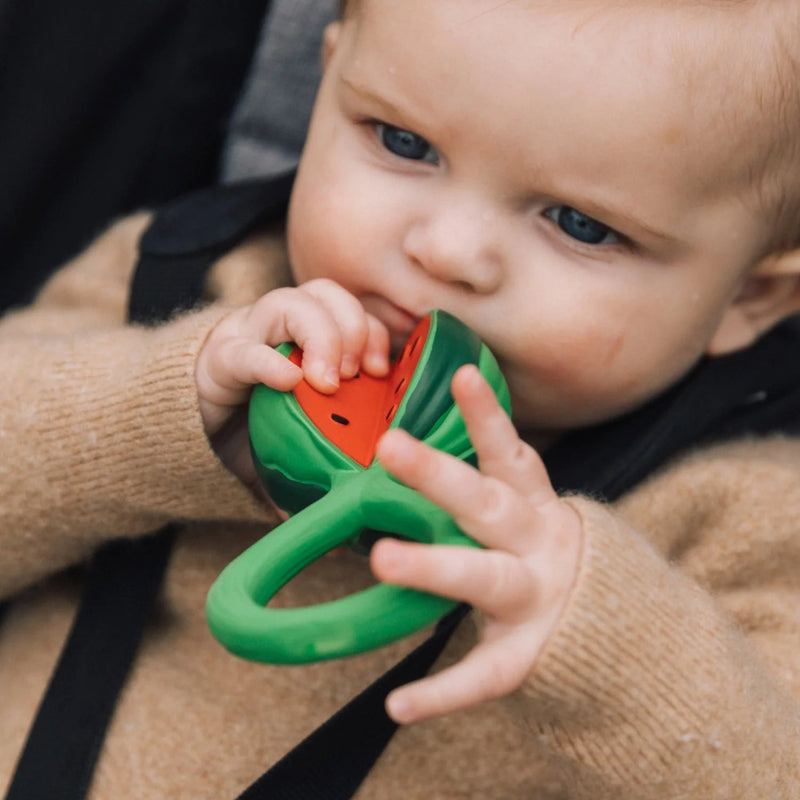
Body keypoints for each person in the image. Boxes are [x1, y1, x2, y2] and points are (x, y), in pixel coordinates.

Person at [1, 0, 800, 797]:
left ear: (751, 296)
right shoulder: (187, 287)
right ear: (326, 83)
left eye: (581, 225)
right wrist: (155, 413)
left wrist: (618, 653)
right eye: (404, 142)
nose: (445, 252)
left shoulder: (745, 514)